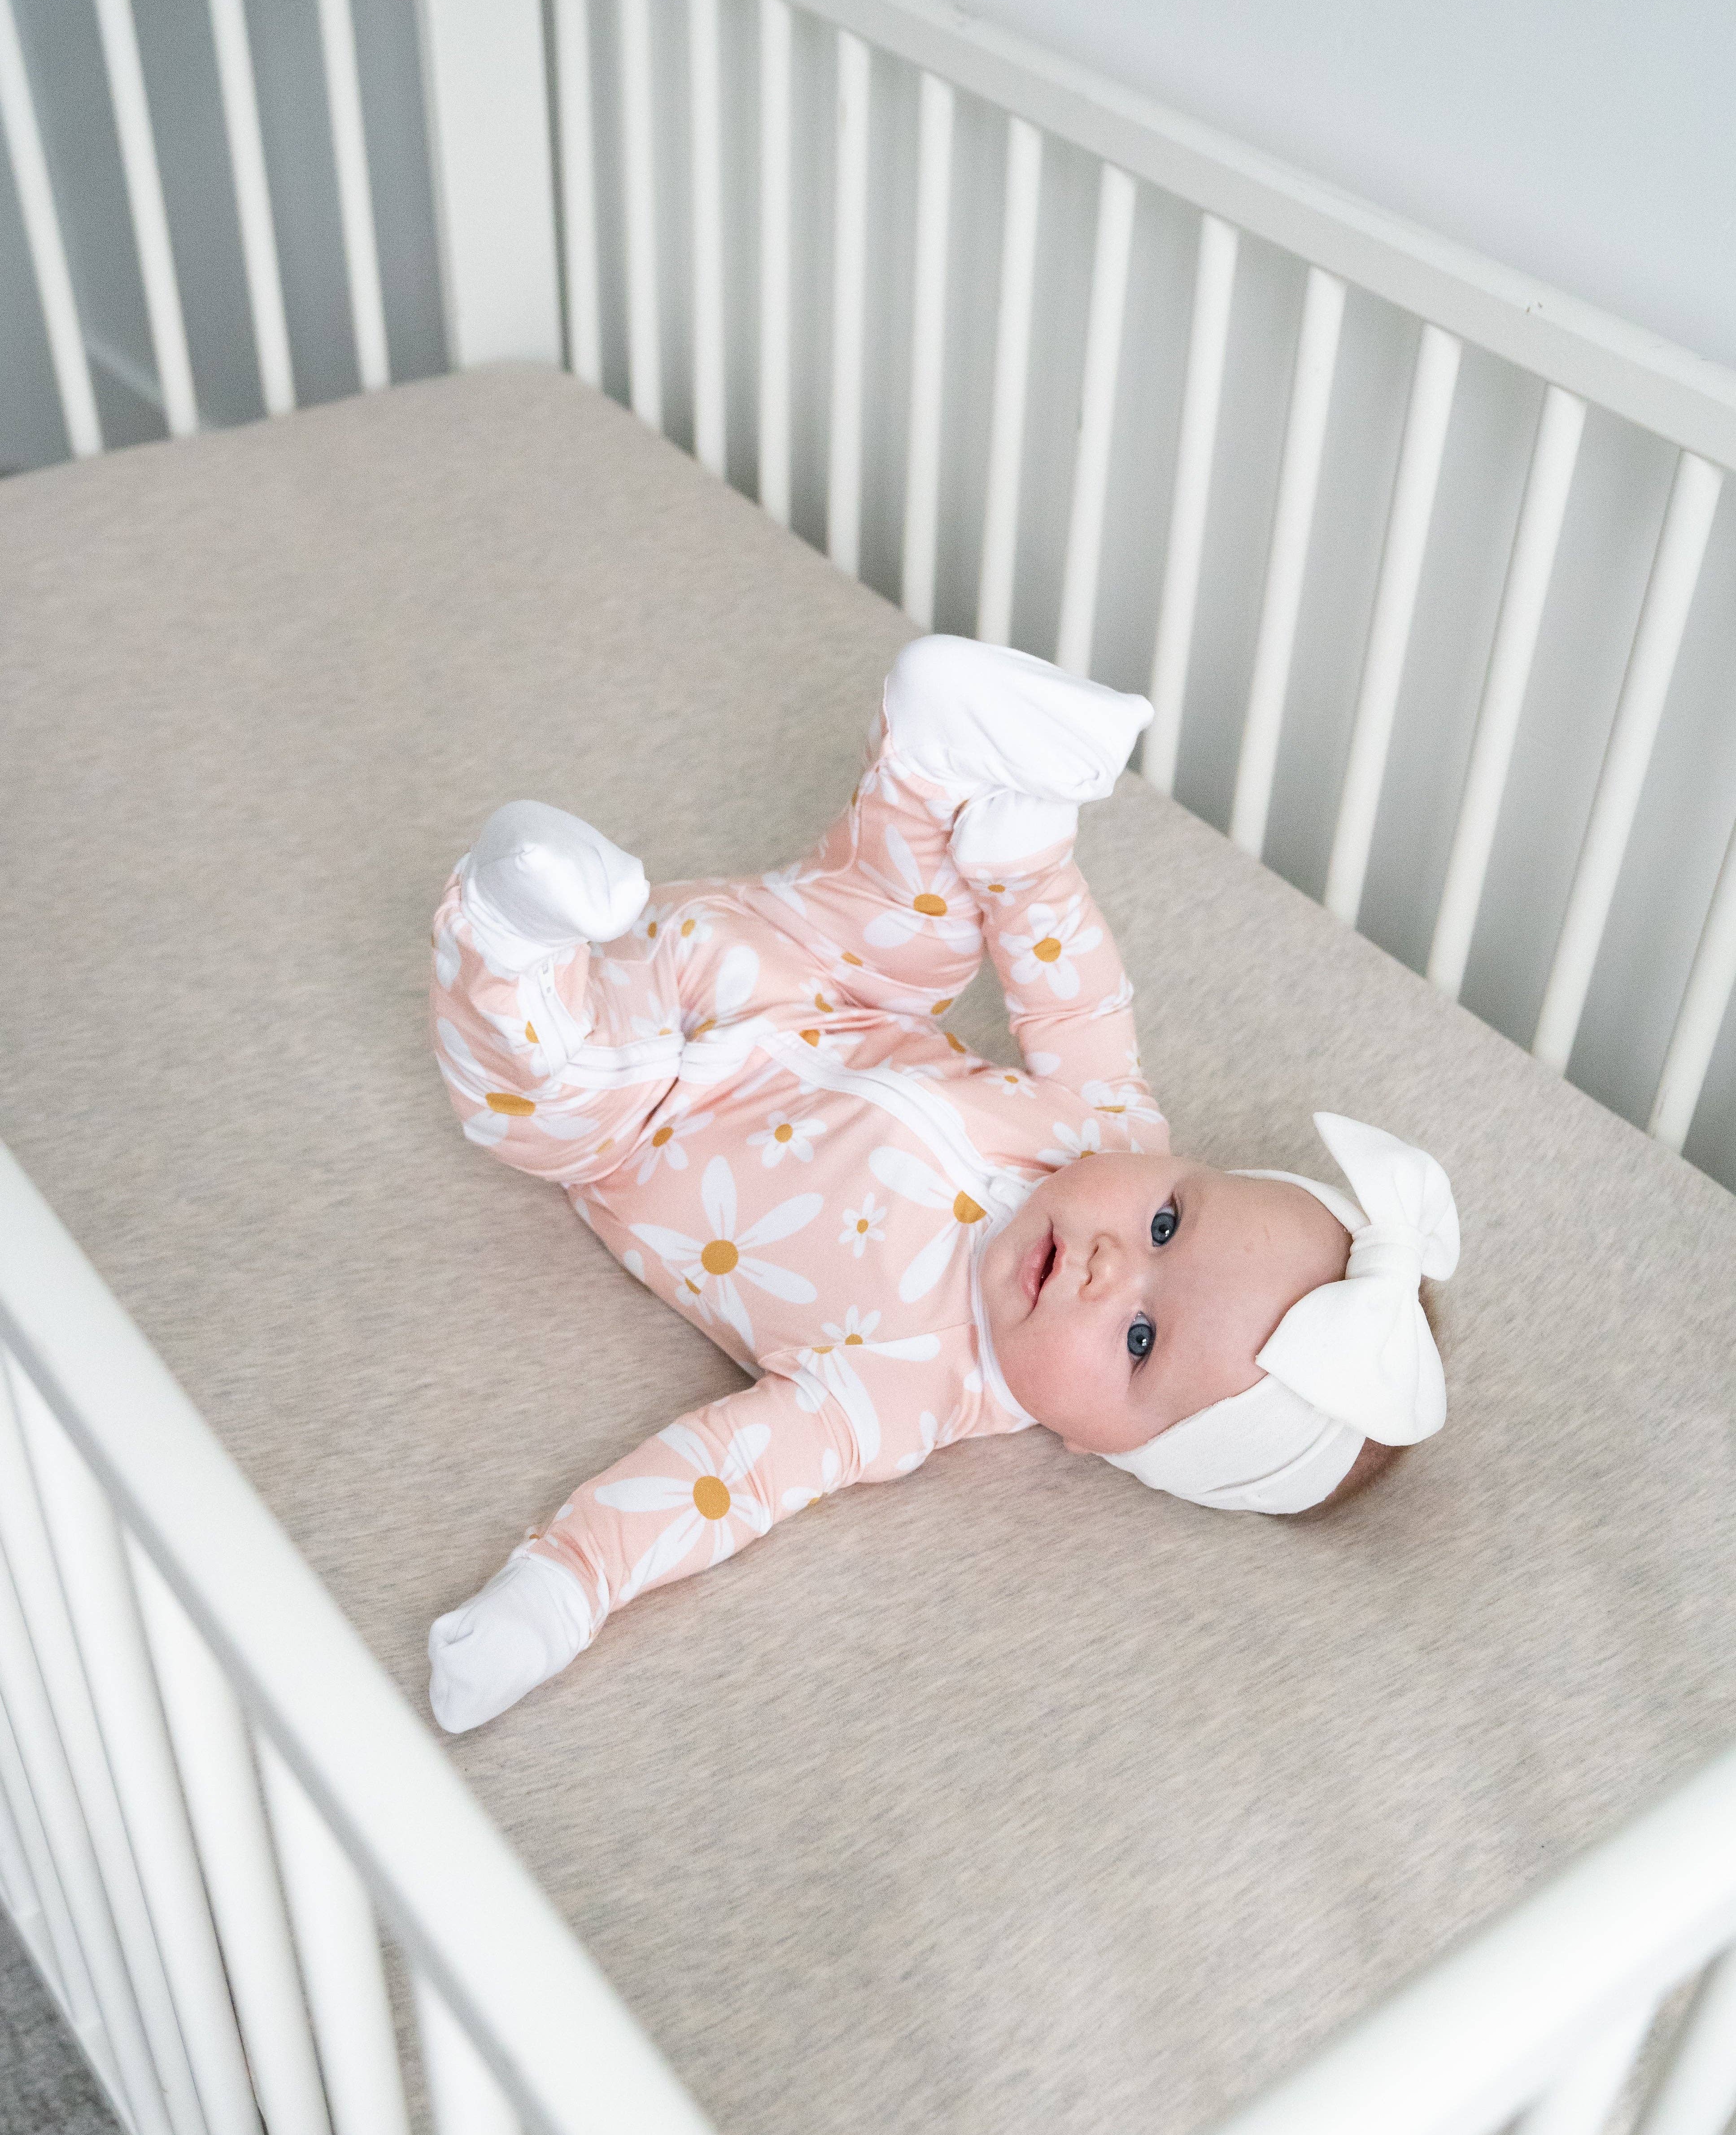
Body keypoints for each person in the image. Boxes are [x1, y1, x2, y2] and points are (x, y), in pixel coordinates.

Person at [425, 636, 1458, 1733]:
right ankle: (936, 754)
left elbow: (727, 1478)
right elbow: (1075, 1000)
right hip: (809, 971)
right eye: (1168, 1222)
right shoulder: (1114, 1129)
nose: (1112, 1265)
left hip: (639, 1099)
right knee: (915, 928)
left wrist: (567, 1586)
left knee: (538, 1105)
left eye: (1139, 1339)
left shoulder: (907, 1385)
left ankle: (515, 925)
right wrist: (1028, 873)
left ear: (1105, 1446)